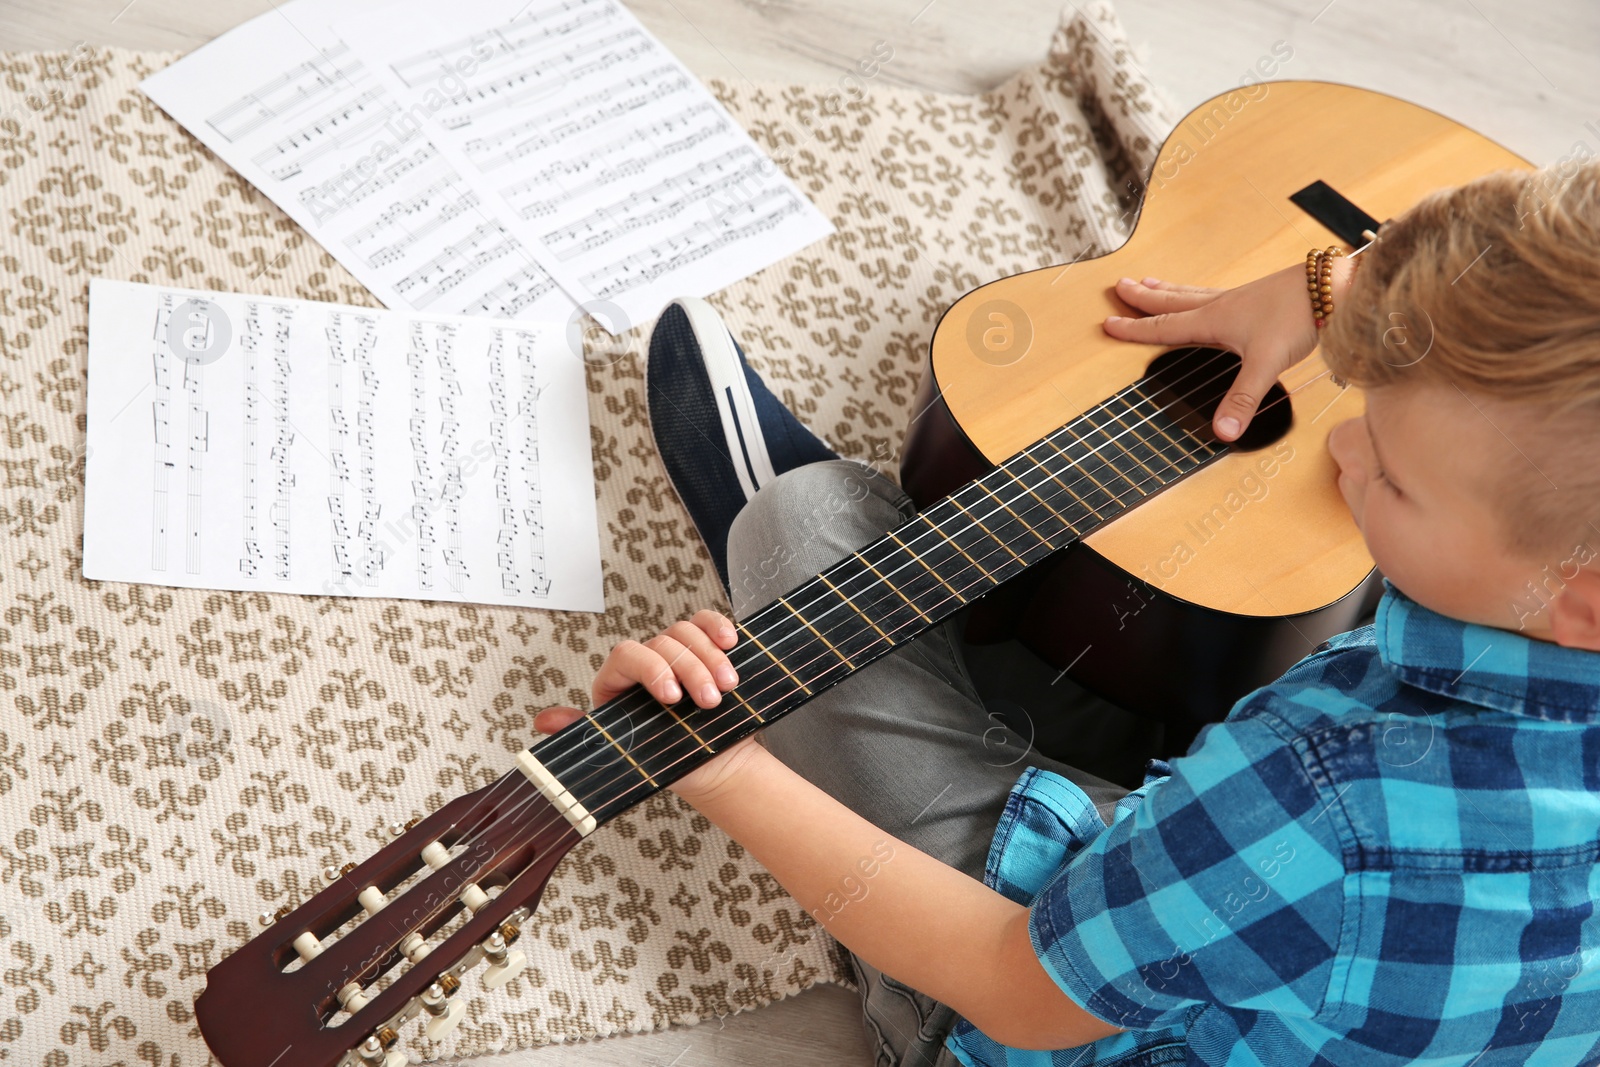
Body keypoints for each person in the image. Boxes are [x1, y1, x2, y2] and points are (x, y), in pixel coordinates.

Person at [533, 159, 1600, 1065]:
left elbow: (1013, 979)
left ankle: (837, 606)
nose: (1339, 444)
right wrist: (1331, 283)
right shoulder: (1548, 591)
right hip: (1267, 929)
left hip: (1042, 1006)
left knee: (802, 522)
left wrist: (727, 768)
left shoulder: (1321, 795)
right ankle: (930, 613)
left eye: (1396, 475)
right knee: (1218, 614)